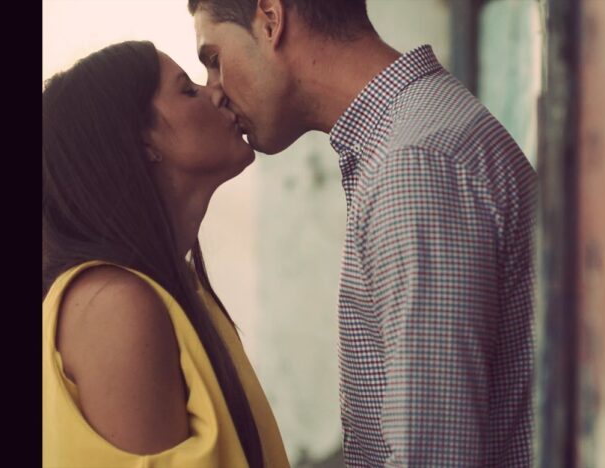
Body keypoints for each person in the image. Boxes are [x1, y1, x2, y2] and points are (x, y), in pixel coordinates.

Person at [187, 0, 538, 466]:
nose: (215, 91)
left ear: (270, 19)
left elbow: (432, 457)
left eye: (214, 60)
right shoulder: (405, 143)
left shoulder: (412, 166)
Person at [41, 40, 290, 468]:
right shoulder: (114, 304)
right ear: (140, 144)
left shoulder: (177, 290)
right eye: (188, 90)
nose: (218, 92)